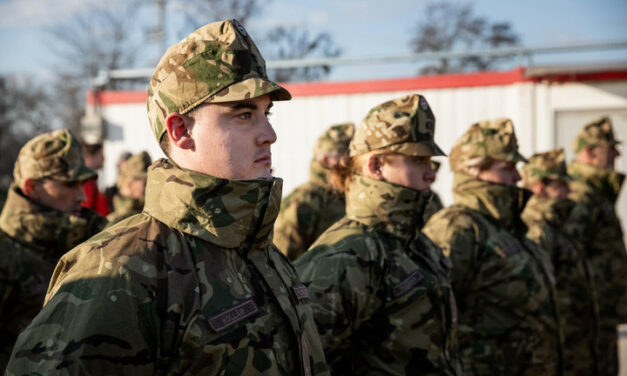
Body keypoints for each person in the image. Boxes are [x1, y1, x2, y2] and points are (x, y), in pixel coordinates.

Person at [7, 19, 329, 376]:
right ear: (181, 131)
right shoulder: (122, 270)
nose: (269, 134)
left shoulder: (261, 253)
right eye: (242, 114)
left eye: (265, 113)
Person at [295, 94, 461, 375]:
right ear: (376, 166)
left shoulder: (414, 242)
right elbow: (304, 364)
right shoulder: (345, 256)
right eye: (419, 160)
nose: (431, 173)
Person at [423, 118, 562, 376]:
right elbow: (429, 321)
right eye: (507, 167)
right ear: (475, 170)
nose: (518, 176)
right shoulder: (457, 227)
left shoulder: (508, 228)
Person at [0, 129, 107, 369]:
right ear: (31, 187)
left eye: (83, 183)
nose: (81, 195)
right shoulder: (6, 254)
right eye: (69, 184)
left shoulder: (92, 239)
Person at [521, 148, 599, 376]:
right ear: (540, 187)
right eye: (561, 185)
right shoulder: (536, 229)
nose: (568, 191)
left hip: (573, 341)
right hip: (559, 346)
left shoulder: (556, 225)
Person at [565, 116, 626, 376]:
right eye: (609, 148)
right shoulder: (580, 194)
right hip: (584, 319)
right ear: (590, 152)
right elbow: (567, 257)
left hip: (601, 315)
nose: (617, 153)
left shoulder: (595, 192)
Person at [274, 122, 354, 260]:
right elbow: (283, 259)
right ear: (325, 159)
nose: (352, 163)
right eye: (346, 157)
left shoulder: (351, 197)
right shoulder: (304, 200)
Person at [106, 151, 151, 225]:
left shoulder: (149, 213)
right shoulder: (114, 222)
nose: (149, 186)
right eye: (145, 183)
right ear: (129, 184)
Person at [81, 142, 110, 216]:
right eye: (100, 155)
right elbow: (86, 209)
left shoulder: (91, 180)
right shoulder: (85, 181)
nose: (104, 159)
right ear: (89, 157)